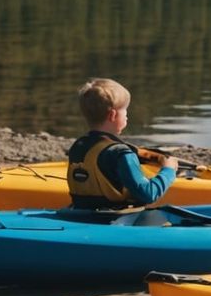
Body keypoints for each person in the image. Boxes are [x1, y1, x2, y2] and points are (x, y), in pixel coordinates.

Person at [66, 78, 179, 209]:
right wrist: (168, 170)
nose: (126, 116)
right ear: (113, 115)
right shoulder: (122, 153)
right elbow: (148, 194)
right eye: (125, 110)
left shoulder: (78, 145)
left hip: (81, 213)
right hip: (113, 219)